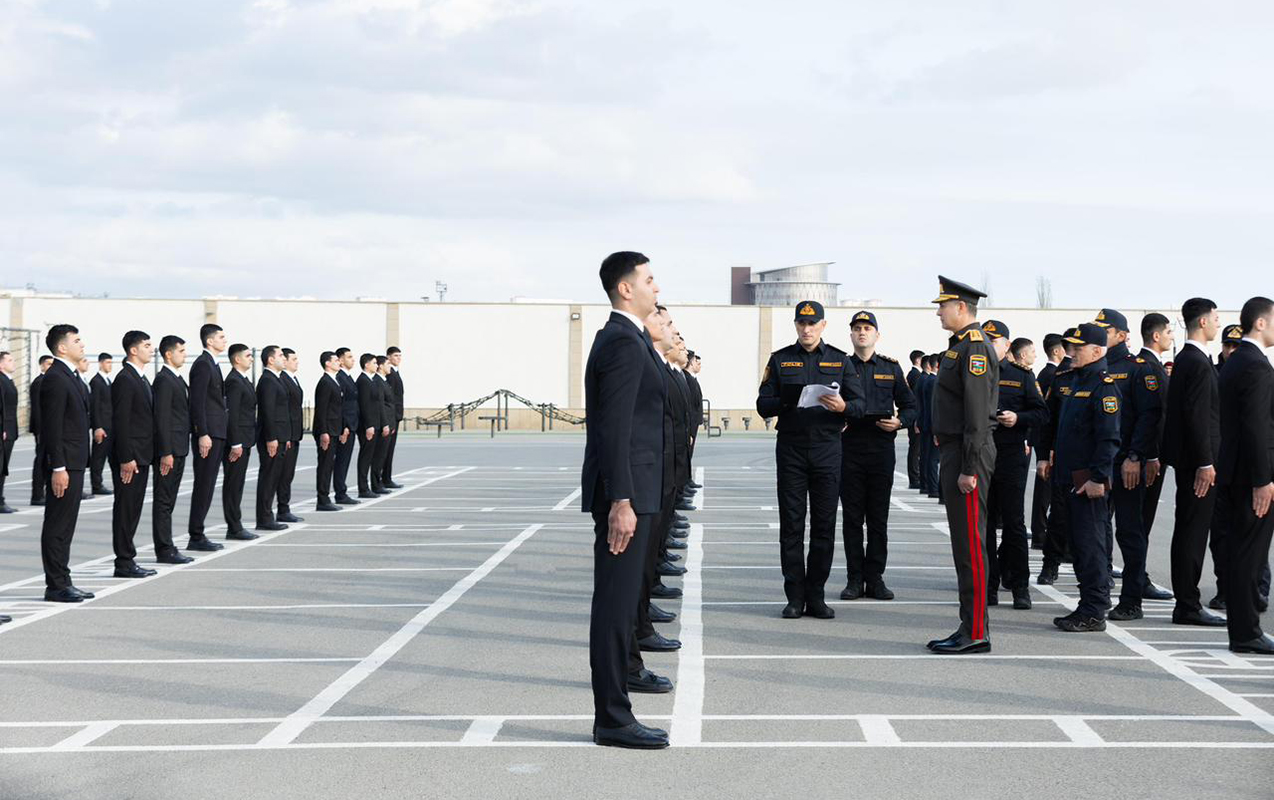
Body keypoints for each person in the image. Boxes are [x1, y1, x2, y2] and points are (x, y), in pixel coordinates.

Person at [581, 251, 670, 750]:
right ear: (625, 288)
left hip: (639, 492)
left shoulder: (630, 338)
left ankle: (615, 709)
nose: (657, 287)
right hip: (627, 496)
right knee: (615, 608)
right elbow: (613, 428)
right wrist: (620, 499)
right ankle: (612, 718)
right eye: (649, 280)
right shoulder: (621, 340)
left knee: (619, 605)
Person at [756, 300, 866, 620]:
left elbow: (860, 405)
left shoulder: (840, 360)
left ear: (822, 326)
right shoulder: (780, 359)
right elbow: (763, 404)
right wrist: (788, 399)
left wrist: (843, 407)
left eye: (812, 324)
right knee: (792, 525)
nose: (807, 329)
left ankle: (816, 595)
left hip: (827, 450)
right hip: (791, 449)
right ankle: (794, 597)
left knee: (823, 525)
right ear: (796, 325)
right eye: (801, 323)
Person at [926, 278, 998, 654]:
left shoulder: (975, 348)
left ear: (961, 307)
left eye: (943, 305)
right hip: (956, 450)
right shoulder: (959, 347)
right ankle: (969, 624)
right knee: (963, 544)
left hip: (969, 454)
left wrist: (969, 467)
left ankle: (976, 631)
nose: (938, 312)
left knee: (971, 544)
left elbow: (977, 415)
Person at [1094, 308, 1168, 622]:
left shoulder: (1138, 368)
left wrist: (1136, 456)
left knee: (1129, 532)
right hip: (1097, 465)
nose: (1101, 334)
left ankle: (1131, 600)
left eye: (1106, 330)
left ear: (1122, 335)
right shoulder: (1094, 367)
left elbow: (1149, 416)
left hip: (1125, 464)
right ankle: (1095, 597)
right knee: (1093, 532)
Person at [838, 310, 916, 602]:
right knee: (852, 519)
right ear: (851, 334)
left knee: (878, 519)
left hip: (881, 449)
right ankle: (854, 579)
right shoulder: (840, 366)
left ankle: (875, 578)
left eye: (867, 328)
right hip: (849, 449)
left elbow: (911, 406)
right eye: (857, 328)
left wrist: (900, 422)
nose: (862, 332)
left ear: (877, 335)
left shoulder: (891, 368)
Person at [1049, 323, 1121, 633]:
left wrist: (1098, 478)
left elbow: (1109, 438)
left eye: (1078, 348)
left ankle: (1094, 609)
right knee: (1079, 547)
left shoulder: (1104, 387)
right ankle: (1087, 604)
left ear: (1097, 351)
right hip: (1070, 479)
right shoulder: (1077, 380)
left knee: (1090, 546)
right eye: (1071, 347)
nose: (1072, 352)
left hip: (1088, 482)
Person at [1215, 297, 1274, 654]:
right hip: (1251, 476)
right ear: (1261, 323)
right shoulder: (1255, 365)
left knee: (1242, 552)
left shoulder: (1237, 360)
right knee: (1249, 556)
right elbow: (1256, 427)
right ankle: (1246, 632)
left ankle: (1243, 630)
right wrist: (1262, 480)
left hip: (1236, 471)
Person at [1163, 298, 1226, 627]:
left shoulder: (1189, 359)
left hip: (1192, 460)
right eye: (1215, 317)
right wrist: (1205, 462)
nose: (1218, 323)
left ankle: (1186, 602)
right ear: (1202, 321)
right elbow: (1198, 417)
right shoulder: (1197, 362)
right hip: (1198, 463)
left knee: (1189, 529)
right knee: (1193, 532)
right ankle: (1187, 605)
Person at [984, 322, 1047, 610]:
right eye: (986, 339)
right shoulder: (973, 371)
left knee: (1014, 523)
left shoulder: (1021, 375)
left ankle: (1020, 585)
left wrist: (1017, 418)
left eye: (995, 340)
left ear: (1007, 345)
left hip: (1010, 454)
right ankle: (989, 585)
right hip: (981, 455)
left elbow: (1041, 413)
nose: (989, 345)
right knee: (985, 524)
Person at [39, 324, 94, 603]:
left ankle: (64, 579)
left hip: (74, 461)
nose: (82, 344)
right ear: (62, 347)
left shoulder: (71, 376)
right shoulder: (56, 379)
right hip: (64, 464)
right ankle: (56, 585)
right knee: (58, 525)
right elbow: (52, 427)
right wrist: (58, 467)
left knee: (66, 526)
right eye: (77, 340)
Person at [110, 331, 170, 574]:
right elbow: (121, 421)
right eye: (146, 345)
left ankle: (128, 559)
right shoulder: (125, 379)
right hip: (131, 457)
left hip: (142, 454)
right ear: (133, 350)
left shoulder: (141, 378)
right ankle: (124, 562)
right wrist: (126, 457)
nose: (151, 349)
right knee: (126, 510)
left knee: (133, 509)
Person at [1036, 327, 1081, 585]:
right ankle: (1050, 564)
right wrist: (1043, 455)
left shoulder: (1101, 379)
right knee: (1059, 516)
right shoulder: (1061, 379)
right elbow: (1047, 421)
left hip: (1090, 461)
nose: (1073, 352)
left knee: (1095, 520)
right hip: (1063, 459)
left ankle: (1098, 569)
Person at [188, 324, 229, 542]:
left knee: (209, 483)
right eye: (221, 337)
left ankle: (199, 532)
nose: (225, 340)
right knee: (204, 484)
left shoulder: (213, 364)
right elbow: (197, 402)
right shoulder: (203, 365)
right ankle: (196, 535)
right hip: (209, 434)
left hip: (217, 432)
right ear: (210, 341)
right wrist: (202, 433)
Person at [1030, 333, 1065, 549]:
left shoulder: (1047, 373)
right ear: (1056, 351)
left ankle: (1039, 531)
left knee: (1044, 487)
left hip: (1042, 435)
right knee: (1045, 488)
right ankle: (1040, 532)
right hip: (1046, 436)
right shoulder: (1051, 375)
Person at [222, 343, 257, 540]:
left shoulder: (243, 380)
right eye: (247, 356)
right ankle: (234, 527)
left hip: (245, 439)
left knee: (238, 484)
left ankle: (236, 524)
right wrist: (235, 442)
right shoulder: (234, 381)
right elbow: (232, 414)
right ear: (237, 359)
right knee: (233, 484)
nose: (251, 359)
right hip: (238, 441)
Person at [255, 345, 291, 531]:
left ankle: (268, 515)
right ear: (270, 360)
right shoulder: (268, 381)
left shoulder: (276, 379)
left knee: (274, 477)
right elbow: (268, 412)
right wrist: (271, 438)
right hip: (272, 437)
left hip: (280, 436)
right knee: (268, 478)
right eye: (280, 355)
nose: (284, 358)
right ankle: (264, 518)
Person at [313, 350, 345, 511]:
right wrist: (324, 432)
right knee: (325, 465)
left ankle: (325, 497)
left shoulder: (334, 381)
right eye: (336, 360)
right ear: (327, 363)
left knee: (329, 465)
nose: (339, 362)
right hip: (327, 430)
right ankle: (322, 500)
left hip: (334, 429)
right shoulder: (325, 382)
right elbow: (322, 409)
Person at [275, 348, 305, 523]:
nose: (297, 362)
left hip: (294, 433)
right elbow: (284, 410)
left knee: (288, 474)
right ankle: (282, 509)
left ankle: (284, 507)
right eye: (293, 359)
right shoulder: (283, 380)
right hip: (288, 433)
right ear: (285, 362)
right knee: (284, 474)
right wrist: (286, 435)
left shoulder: (292, 379)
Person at [356, 353, 388, 498]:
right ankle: (363, 488)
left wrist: (383, 423)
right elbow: (364, 405)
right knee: (365, 457)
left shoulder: (372, 380)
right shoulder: (363, 381)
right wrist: (369, 425)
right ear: (366, 364)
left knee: (373, 456)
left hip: (376, 424)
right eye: (374, 363)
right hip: (368, 426)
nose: (376, 365)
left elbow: (378, 404)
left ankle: (373, 485)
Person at [332, 347, 360, 505]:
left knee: (345, 460)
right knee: (341, 461)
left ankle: (341, 490)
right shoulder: (340, 378)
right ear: (341, 360)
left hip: (352, 424)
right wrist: (345, 427)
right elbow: (341, 406)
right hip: (346, 426)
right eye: (349, 357)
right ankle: (340, 493)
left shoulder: (348, 377)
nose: (352, 359)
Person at [29, 354, 53, 506]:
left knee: (45, 461)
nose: (51, 367)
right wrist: (39, 431)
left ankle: (42, 492)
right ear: (42, 365)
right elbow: (37, 408)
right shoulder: (39, 382)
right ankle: (37, 495)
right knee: (41, 461)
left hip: (47, 428)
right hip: (42, 429)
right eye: (49, 364)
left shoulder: (48, 380)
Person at [88, 352, 113, 495]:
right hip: (102, 426)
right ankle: (96, 485)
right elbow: (95, 406)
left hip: (110, 425)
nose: (110, 365)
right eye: (107, 362)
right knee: (98, 457)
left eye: (111, 362)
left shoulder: (108, 381)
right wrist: (97, 426)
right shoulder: (96, 381)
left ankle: (99, 483)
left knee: (107, 456)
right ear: (101, 363)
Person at [916, 354, 940, 498]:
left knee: (928, 455)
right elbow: (933, 407)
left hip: (926, 422)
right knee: (932, 458)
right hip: (931, 424)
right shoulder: (933, 381)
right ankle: (932, 488)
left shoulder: (926, 379)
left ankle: (927, 486)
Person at [382, 346, 405, 489]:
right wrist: (392, 417)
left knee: (390, 449)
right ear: (388, 358)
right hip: (391, 417)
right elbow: (389, 398)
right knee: (387, 450)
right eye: (395, 355)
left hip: (395, 416)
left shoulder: (395, 372)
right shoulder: (390, 374)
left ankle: (387, 477)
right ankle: (385, 478)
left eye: (400, 355)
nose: (398, 358)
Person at [0, 351, 18, 514]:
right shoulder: (1, 380)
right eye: (10, 360)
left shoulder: (7, 380)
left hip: (10, 429)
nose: (13, 362)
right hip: (4, 430)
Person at [906, 349, 925, 490]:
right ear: (918, 360)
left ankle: (915, 477)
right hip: (915, 417)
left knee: (916, 448)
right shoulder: (916, 375)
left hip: (915, 416)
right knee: (915, 448)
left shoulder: (913, 374)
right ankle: (914, 478)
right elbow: (917, 399)